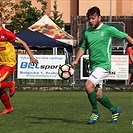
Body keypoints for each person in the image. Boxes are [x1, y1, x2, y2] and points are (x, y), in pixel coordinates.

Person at [71, 6, 133, 124]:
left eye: (93, 18)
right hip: (93, 67)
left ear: (100, 17)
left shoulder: (108, 29)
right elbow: (83, 47)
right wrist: (76, 60)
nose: (91, 21)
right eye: (89, 19)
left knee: (88, 86)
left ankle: (95, 112)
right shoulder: (88, 32)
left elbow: (126, 36)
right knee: (98, 96)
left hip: (103, 65)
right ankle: (115, 110)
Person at [0, 13, 38, 114]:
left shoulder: (7, 33)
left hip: (9, 63)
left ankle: (10, 84)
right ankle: (9, 108)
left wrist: (31, 56)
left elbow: (23, 43)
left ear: (1, 21)